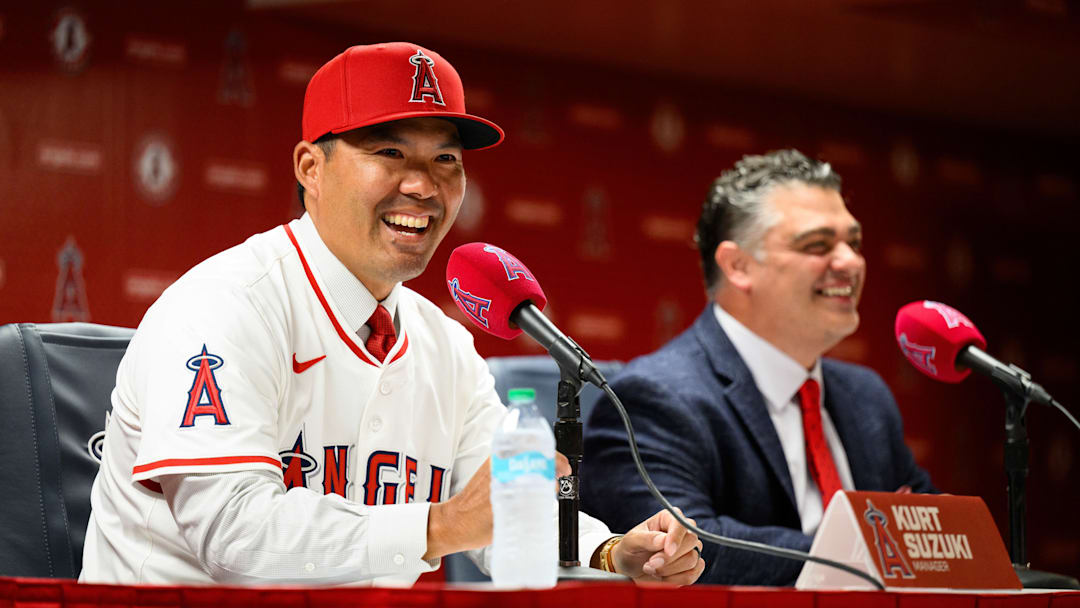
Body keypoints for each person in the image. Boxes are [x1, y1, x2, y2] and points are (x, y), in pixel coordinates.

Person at [80, 42, 704, 586]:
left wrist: (608, 550)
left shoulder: (443, 345)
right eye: (389, 152)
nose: (423, 186)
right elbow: (233, 537)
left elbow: (504, 508)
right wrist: (441, 525)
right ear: (310, 168)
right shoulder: (226, 305)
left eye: (445, 161)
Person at [581, 149, 935, 586]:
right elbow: (684, 551)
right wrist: (878, 546)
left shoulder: (868, 398)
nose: (851, 262)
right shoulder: (653, 397)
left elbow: (932, 533)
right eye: (818, 245)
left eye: (854, 243)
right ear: (739, 266)